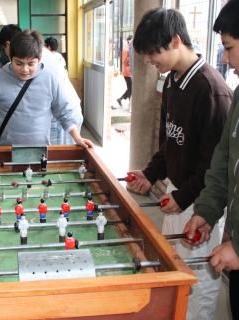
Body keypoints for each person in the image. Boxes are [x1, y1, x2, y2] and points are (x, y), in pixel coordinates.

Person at [127, 8, 232, 320]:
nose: (148, 61)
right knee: (174, 269)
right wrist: (151, 173)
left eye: (152, 53)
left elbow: (214, 164)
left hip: (202, 202)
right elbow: (168, 143)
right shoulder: (171, 82)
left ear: (175, 41)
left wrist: (184, 198)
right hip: (178, 193)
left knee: (198, 283)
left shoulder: (211, 90)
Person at [183, 1, 239, 319]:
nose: (227, 60)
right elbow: (224, 157)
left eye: (230, 48)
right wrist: (207, 210)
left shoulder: (211, 87)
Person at [0, 30, 92, 152]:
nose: (25, 69)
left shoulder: (50, 79)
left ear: (40, 59)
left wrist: (77, 138)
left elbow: (64, 111)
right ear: (9, 57)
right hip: (6, 151)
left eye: (31, 64)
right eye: (18, 63)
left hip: (40, 152)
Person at [113, 35, 132, 111]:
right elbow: (125, 61)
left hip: (129, 72)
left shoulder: (129, 49)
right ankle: (128, 103)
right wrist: (132, 58)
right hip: (127, 72)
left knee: (131, 88)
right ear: (129, 40)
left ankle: (120, 99)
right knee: (131, 89)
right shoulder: (126, 49)